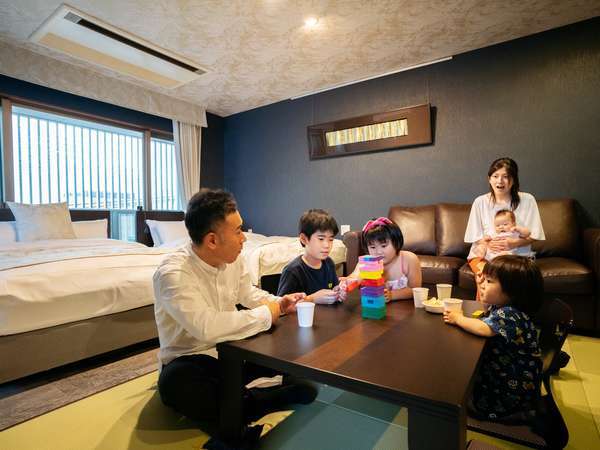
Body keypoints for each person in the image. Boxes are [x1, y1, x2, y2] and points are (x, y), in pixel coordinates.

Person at [153, 189, 317, 427]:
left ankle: (241, 400)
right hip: (189, 360)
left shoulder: (233, 259)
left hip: (233, 351)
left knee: (282, 339)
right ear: (212, 240)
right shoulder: (173, 274)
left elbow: (247, 293)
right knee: (176, 384)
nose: (244, 238)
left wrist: (279, 303)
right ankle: (266, 398)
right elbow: (206, 327)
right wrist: (266, 313)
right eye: (238, 231)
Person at [443, 255, 543, 421]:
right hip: (504, 369)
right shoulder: (503, 306)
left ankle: (515, 414)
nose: (483, 284)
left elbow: (484, 329)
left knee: (469, 399)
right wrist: (481, 284)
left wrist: (458, 318)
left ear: (512, 291)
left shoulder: (511, 315)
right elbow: (487, 308)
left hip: (511, 383)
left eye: (489, 281)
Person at [465, 157, 545, 298]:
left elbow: (535, 234)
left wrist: (514, 243)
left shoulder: (527, 200)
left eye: (505, 177)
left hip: (517, 257)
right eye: (495, 176)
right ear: (489, 179)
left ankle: (507, 312)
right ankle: (484, 311)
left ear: (513, 180)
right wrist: (488, 243)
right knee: (485, 275)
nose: (500, 181)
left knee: (502, 276)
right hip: (484, 256)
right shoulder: (480, 202)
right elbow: (474, 236)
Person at [345, 217, 422, 302]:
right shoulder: (367, 262)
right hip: (372, 306)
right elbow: (354, 276)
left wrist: (392, 295)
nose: (378, 252)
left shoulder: (409, 260)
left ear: (396, 242)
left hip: (404, 307)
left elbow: (415, 290)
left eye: (384, 246)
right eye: (373, 247)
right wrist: (346, 282)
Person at [277, 209, 343, 303]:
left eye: (331, 239)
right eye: (321, 239)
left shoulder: (329, 263)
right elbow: (283, 306)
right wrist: (312, 298)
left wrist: (338, 292)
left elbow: (334, 287)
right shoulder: (293, 271)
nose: (327, 245)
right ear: (304, 239)